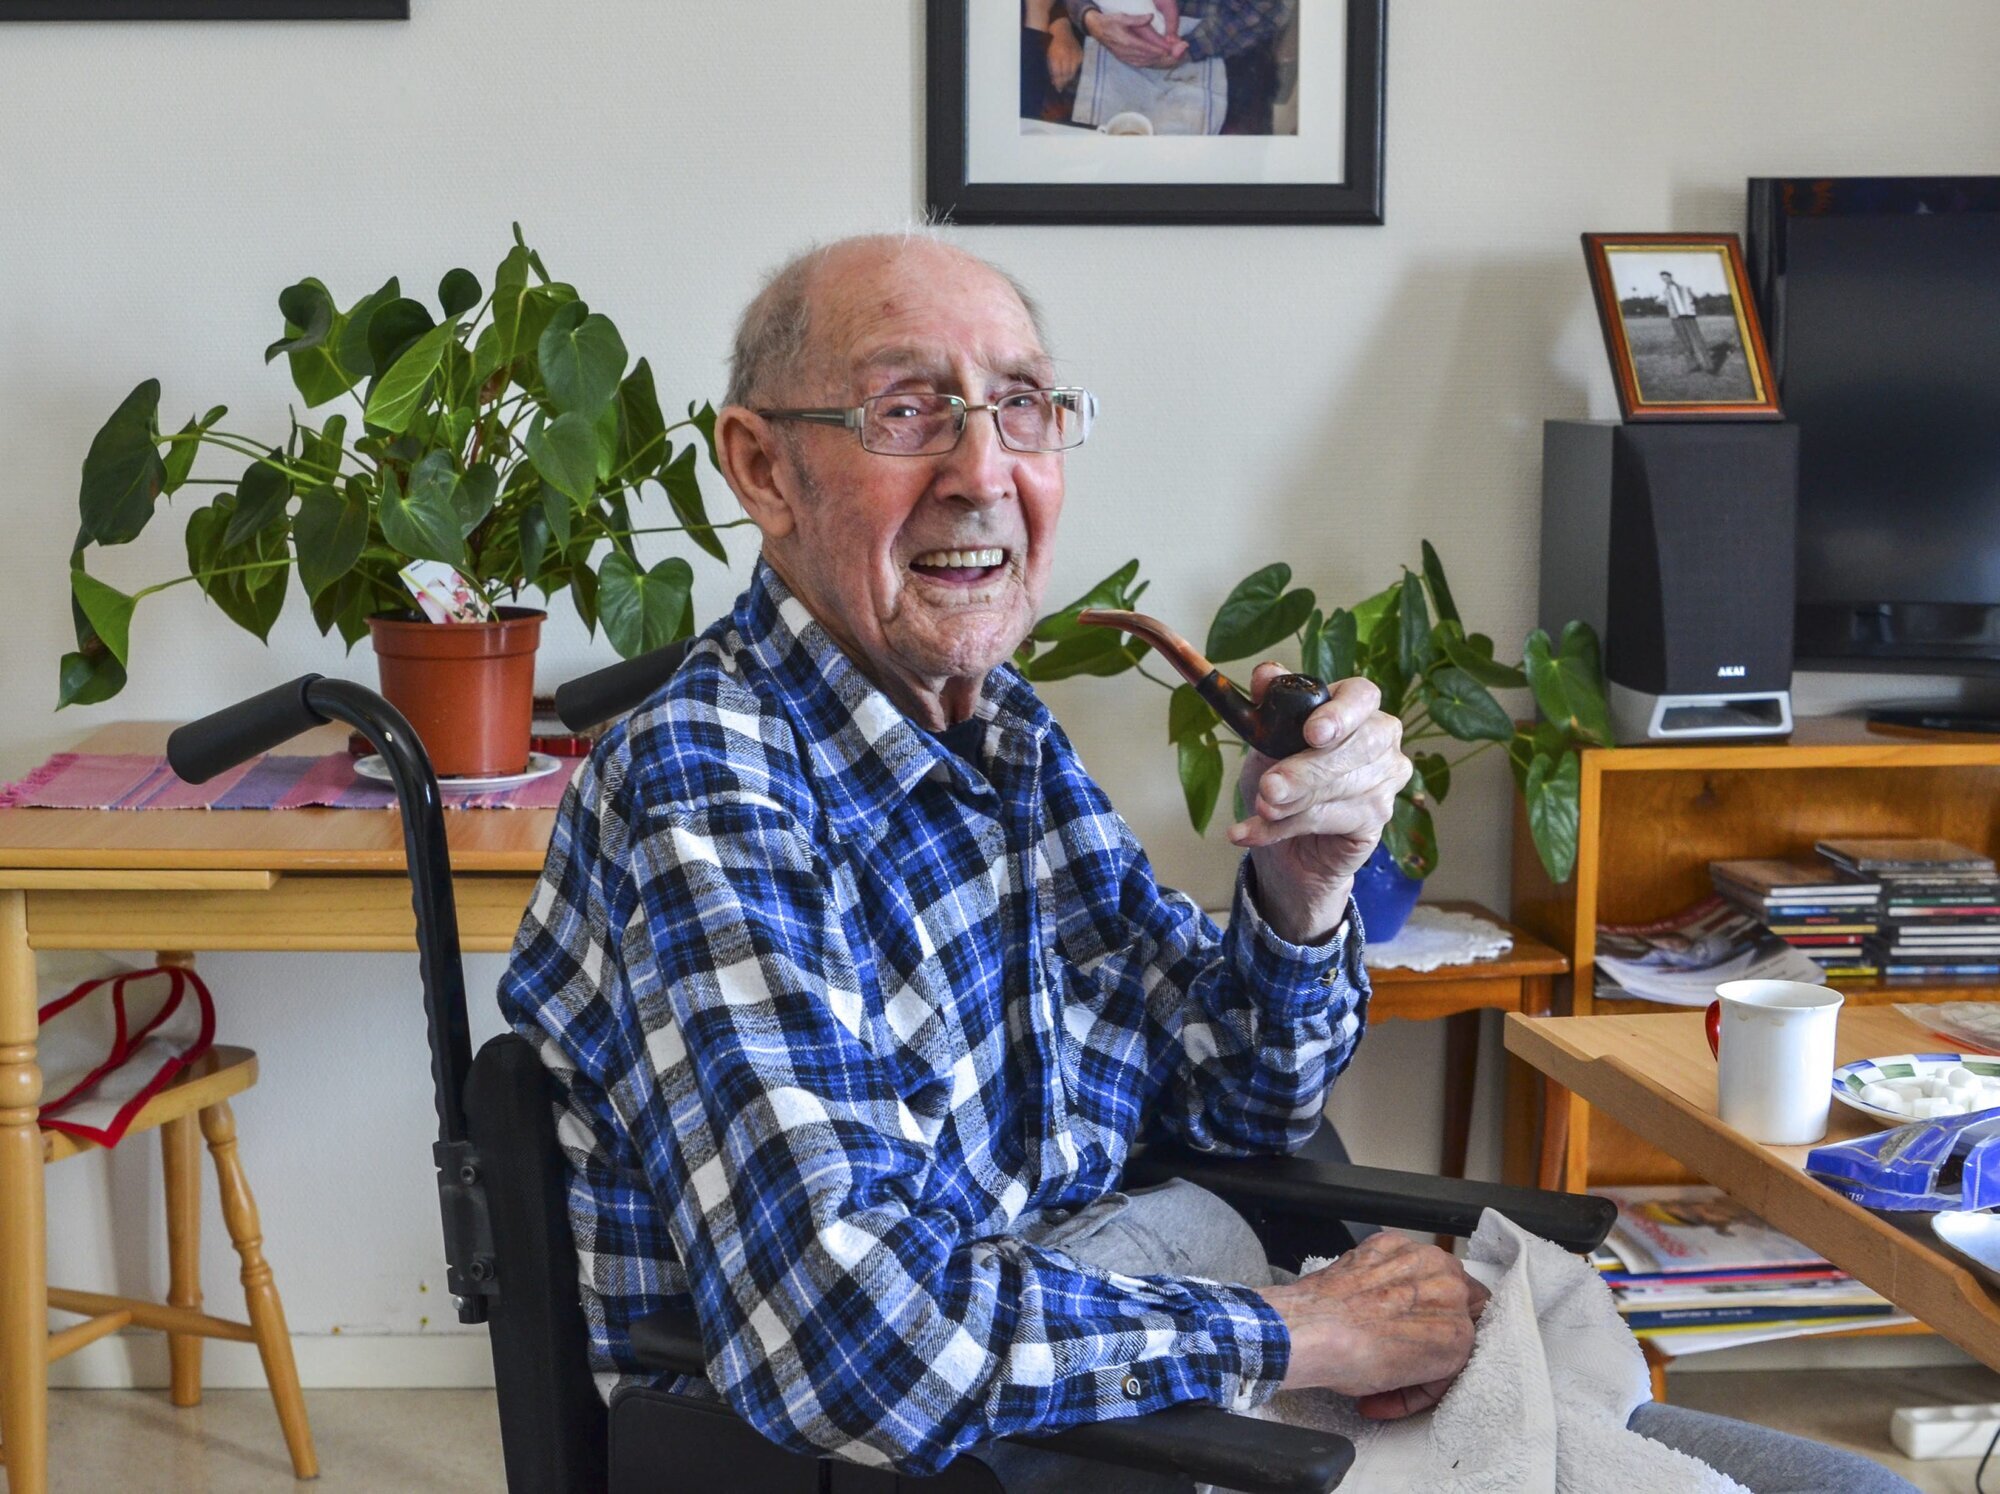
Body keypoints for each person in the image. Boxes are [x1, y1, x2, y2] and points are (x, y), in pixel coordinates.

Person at [499, 232, 1916, 1492]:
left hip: (1134, 1369)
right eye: (905, 411)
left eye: (1022, 406)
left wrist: (1305, 888)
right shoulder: (710, 788)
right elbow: (853, 1344)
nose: (983, 473)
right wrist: (1305, 1330)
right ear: (764, 468)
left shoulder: (1005, 735)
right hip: (933, 1456)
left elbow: (1240, 1096)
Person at [1066, 0, 1290, 132]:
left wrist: (1191, 48)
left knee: (1229, 172)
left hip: (1227, 38)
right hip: (1115, 24)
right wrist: (1090, 18)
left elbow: (1264, 11)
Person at [1660, 268, 1725, 374]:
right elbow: (1664, 303)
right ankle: (1693, 366)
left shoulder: (1684, 288)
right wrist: (1664, 303)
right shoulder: (1665, 291)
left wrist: (1691, 304)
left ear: (1671, 277)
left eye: (1666, 278)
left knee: (1697, 341)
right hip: (1676, 319)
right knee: (1685, 343)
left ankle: (1709, 367)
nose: (1665, 280)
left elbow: (1695, 300)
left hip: (1689, 317)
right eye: (1663, 279)